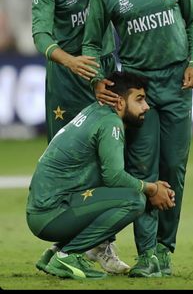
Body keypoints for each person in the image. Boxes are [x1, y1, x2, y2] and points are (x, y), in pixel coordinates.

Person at [31, 0, 178, 274]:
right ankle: (70, 239)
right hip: (69, 78)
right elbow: (41, 35)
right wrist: (70, 60)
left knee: (112, 155)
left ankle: (100, 247)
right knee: (77, 161)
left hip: (107, 71)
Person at [82, 0, 193, 277]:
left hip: (177, 85)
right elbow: (91, 41)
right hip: (140, 91)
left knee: (174, 170)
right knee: (143, 171)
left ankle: (165, 251)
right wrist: (97, 80)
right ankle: (148, 252)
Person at [26, 71, 175, 280]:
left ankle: (54, 253)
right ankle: (67, 256)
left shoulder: (94, 112)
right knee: (134, 201)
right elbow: (114, 177)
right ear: (120, 102)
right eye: (139, 99)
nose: (146, 107)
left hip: (45, 210)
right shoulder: (110, 123)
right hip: (51, 214)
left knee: (115, 193)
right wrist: (152, 188)